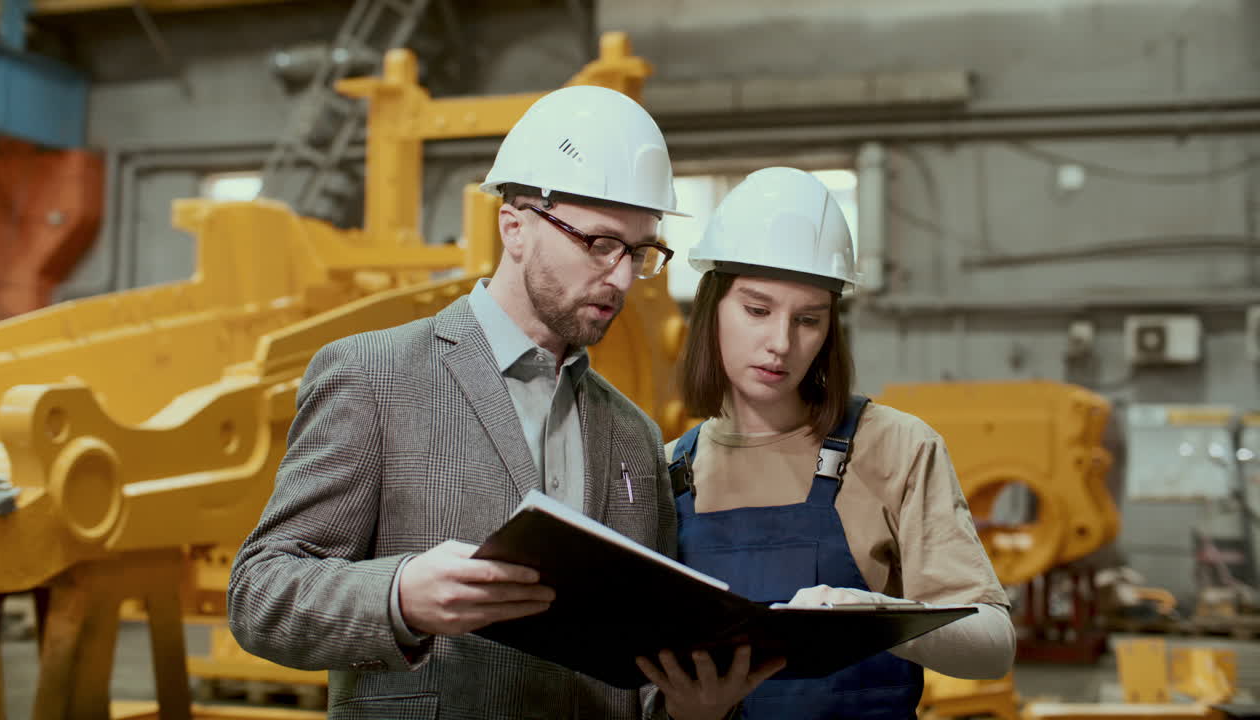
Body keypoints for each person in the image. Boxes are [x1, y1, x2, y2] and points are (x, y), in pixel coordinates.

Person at [227, 85, 773, 720]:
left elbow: (641, 667)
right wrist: (399, 596)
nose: (622, 277)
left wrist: (689, 708)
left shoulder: (633, 434)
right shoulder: (372, 376)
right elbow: (260, 592)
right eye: (598, 244)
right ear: (515, 226)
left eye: (640, 252)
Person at [652, 167, 1016, 719]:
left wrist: (871, 615)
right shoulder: (667, 472)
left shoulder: (893, 447)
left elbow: (993, 645)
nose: (780, 343)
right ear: (711, 308)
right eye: (757, 310)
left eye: (808, 320)